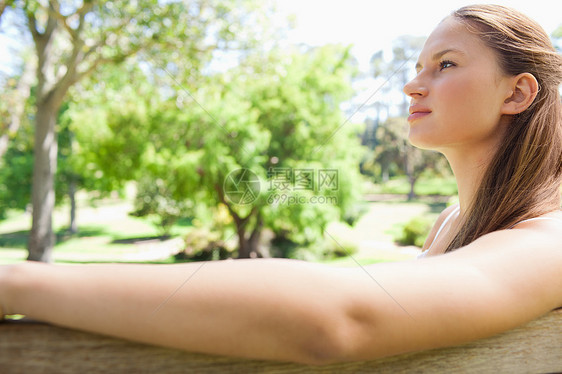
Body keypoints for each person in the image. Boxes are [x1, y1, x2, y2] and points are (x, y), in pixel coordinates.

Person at [0, 4, 561, 366]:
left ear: (516, 93)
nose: (413, 85)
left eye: (445, 64)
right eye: (417, 65)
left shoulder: (548, 240)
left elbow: (342, 320)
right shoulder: (452, 223)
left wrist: (18, 283)